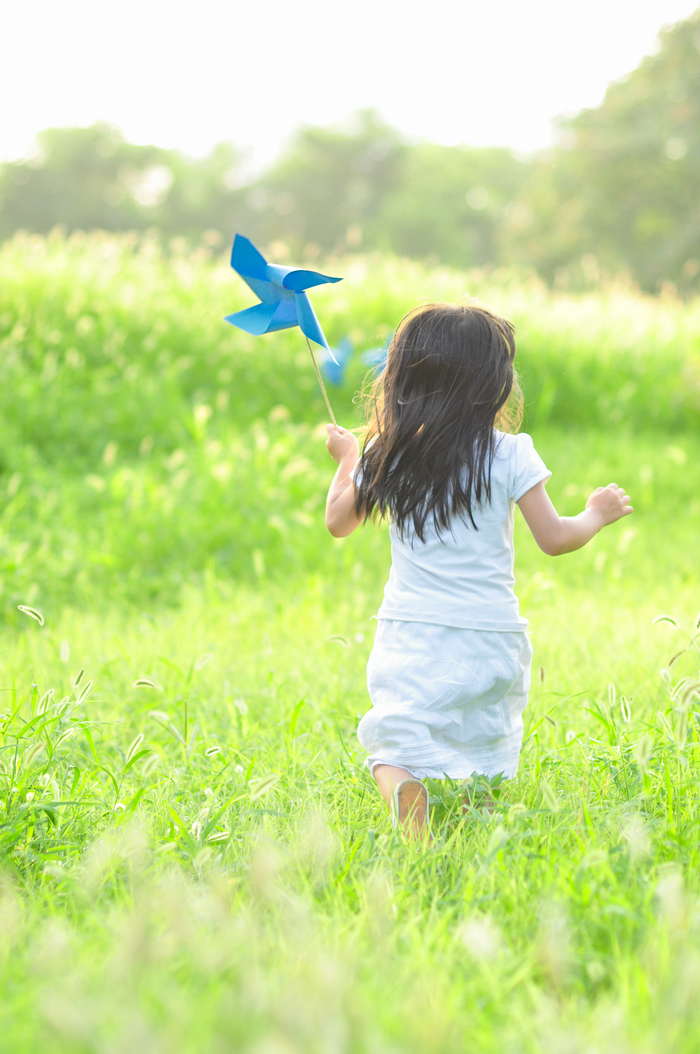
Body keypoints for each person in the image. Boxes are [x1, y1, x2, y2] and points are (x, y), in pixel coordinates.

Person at [324, 302, 632, 838]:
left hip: (412, 630)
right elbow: (556, 539)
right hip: (491, 634)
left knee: (397, 732)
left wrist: (349, 459)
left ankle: (405, 790)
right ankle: (476, 831)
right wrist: (596, 514)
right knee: (484, 738)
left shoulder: (387, 452)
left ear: (400, 378)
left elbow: (338, 522)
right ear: (492, 384)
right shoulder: (510, 453)